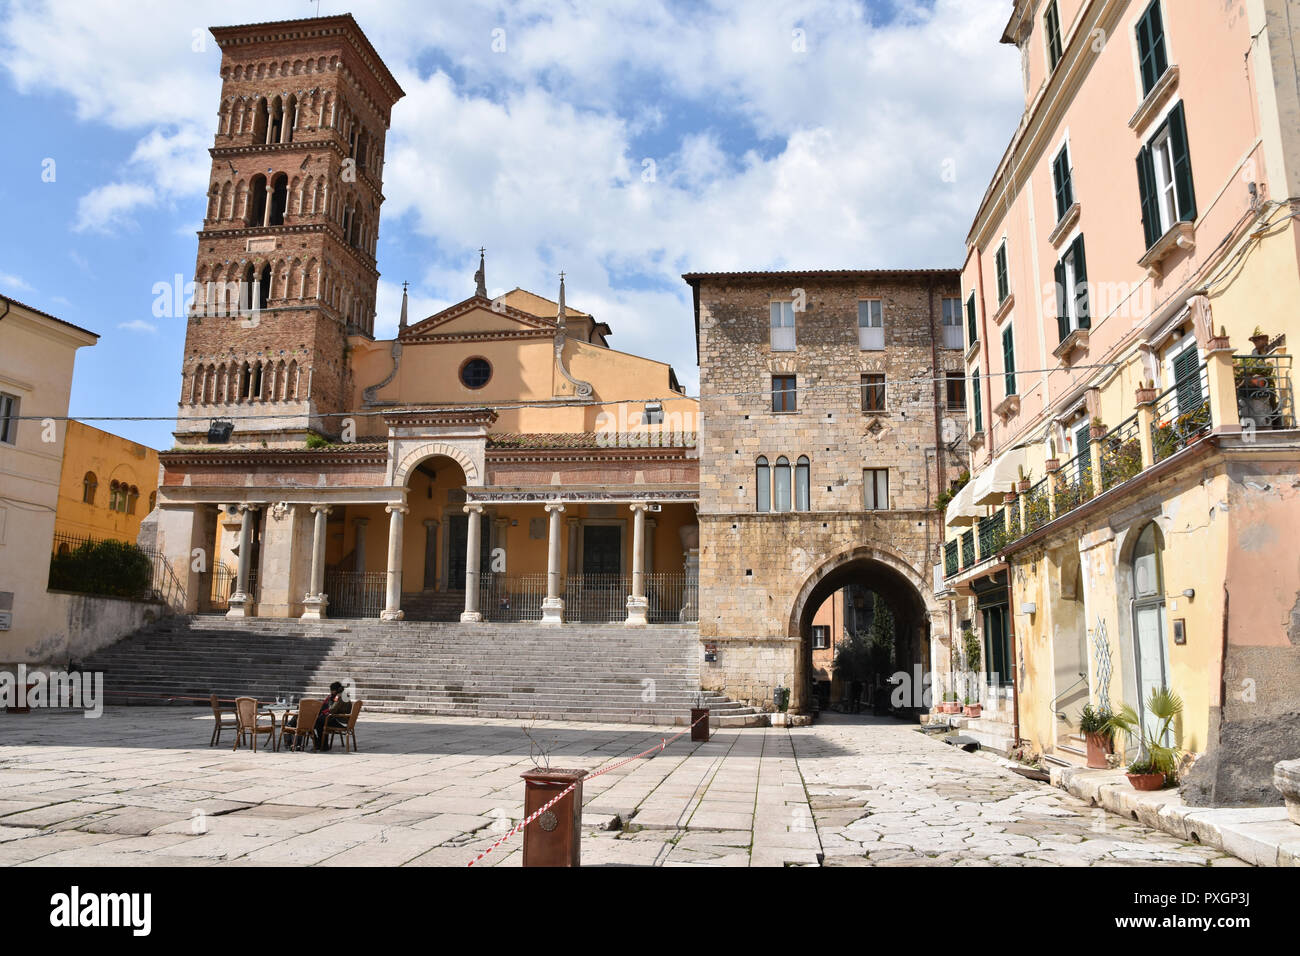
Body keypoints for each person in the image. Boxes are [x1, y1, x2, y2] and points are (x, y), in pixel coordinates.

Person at [314, 681, 350, 750]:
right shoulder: (344, 695)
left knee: (318, 721)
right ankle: (320, 743)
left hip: (340, 721)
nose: (331, 692)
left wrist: (330, 700)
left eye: (332, 691)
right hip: (343, 720)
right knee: (320, 720)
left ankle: (321, 744)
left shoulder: (339, 697)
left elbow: (332, 709)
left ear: (336, 690)